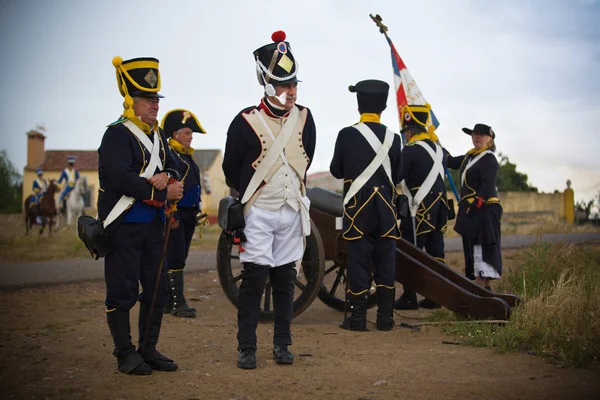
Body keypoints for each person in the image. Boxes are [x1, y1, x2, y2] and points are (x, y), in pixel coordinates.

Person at [222, 30, 316, 369]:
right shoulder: (245, 121)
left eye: (293, 84)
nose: (291, 91)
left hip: (291, 212)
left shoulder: (305, 118)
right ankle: (247, 347)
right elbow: (231, 168)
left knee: (285, 282)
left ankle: (282, 345)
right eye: (283, 85)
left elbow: (307, 158)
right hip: (259, 212)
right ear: (265, 83)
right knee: (253, 282)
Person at [97, 56, 184, 375]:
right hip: (123, 226)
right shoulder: (116, 135)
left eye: (156, 99)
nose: (155, 105)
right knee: (122, 291)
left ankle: (148, 348)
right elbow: (121, 178)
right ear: (130, 101)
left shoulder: (159, 136)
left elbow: (175, 163)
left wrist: (168, 174)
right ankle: (124, 352)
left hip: (153, 226)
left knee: (157, 288)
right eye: (148, 100)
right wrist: (162, 191)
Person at [330, 79, 402, 332]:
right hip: (385, 209)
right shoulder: (395, 138)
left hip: (357, 208)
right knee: (386, 261)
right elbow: (399, 175)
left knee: (358, 261)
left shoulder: (347, 135)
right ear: (382, 107)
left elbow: (336, 170)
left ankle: (357, 319)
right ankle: (385, 318)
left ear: (359, 106)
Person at [394, 104, 449, 310]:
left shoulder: (410, 151)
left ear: (409, 132)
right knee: (436, 252)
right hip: (439, 207)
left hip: (418, 209)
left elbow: (397, 176)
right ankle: (436, 296)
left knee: (411, 252)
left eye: (405, 133)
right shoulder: (440, 151)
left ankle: (409, 296)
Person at [161, 109, 207, 318]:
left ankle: (169, 302)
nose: (190, 137)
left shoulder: (186, 156)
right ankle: (178, 302)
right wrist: (172, 215)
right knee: (176, 256)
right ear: (175, 134)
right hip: (175, 214)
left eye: (191, 134)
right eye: (187, 133)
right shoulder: (169, 156)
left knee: (180, 255)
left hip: (188, 214)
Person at [445, 123, 502, 290]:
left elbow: (487, 187)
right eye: (475, 134)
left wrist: (473, 207)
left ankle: (483, 287)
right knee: (472, 248)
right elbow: (449, 161)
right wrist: (437, 145)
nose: (478, 137)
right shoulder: (469, 157)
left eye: (482, 135)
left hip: (483, 210)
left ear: (490, 140)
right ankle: (481, 287)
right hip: (471, 211)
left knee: (482, 248)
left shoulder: (489, 159)